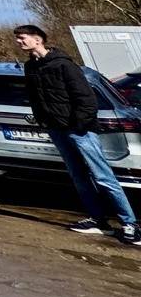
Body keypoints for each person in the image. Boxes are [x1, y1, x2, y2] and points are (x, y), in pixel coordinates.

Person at [15, 24, 139, 245]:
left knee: (103, 176)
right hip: (56, 129)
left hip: (80, 130)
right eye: (17, 38)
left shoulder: (64, 65)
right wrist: (44, 119)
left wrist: (78, 125)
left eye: (22, 38)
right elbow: (36, 97)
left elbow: (87, 100)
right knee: (78, 176)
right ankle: (98, 220)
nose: (19, 42)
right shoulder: (31, 67)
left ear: (38, 39)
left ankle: (130, 224)